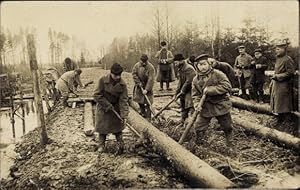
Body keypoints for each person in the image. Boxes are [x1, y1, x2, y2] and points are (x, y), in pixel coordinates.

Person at [192, 54, 233, 146]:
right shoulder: (195, 79)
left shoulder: (218, 74)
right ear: (196, 66)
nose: (202, 67)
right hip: (206, 106)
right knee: (199, 127)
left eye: (204, 64)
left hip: (221, 104)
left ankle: (230, 143)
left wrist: (211, 90)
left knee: (227, 126)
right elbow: (195, 95)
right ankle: (200, 146)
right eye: (200, 65)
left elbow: (227, 86)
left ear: (209, 64)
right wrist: (197, 104)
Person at [93, 63, 129, 154]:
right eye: (115, 75)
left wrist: (124, 115)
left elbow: (123, 100)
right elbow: (96, 95)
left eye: (119, 75)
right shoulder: (102, 80)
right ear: (111, 73)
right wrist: (107, 105)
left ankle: (120, 144)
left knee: (118, 127)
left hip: (116, 108)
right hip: (103, 107)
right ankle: (101, 145)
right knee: (102, 128)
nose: (117, 77)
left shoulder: (122, 84)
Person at [270, 40, 295, 123]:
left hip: (284, 85)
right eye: (276, 49)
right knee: (278, 103)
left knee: (284, 104)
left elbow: (290, 73)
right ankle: (280, 120)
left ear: (284, 49)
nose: (276, 51)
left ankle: (287, 122)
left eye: (278, 49)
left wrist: (278, 76)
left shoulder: (287, 59)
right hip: (277, 84)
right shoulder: (278, 59)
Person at [173, 53, 196, 125]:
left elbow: (189, 82)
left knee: (190, 104)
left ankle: (193, 121)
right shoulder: (180, 69)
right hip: (184, 90)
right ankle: (183, 120)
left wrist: (182, 91)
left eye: (176, 62)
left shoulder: (189, 68)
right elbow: (180, 82)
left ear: (181, 61)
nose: (175, 64)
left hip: (191, 90)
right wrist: (176, 93)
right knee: (183, 105)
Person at [132, 54, 155, 119]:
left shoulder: (151, 67)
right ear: (140, 60)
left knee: (148, 102)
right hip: (139, 86)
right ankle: (142, 113)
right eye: (142, 62)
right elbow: (134, 74)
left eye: (145, 62)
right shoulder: (136, 66)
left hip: (147, 86)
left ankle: (148, 117)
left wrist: (147, 89)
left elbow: (151, 79)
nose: (144, 63)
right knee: (139, 101)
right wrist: (138, 82)